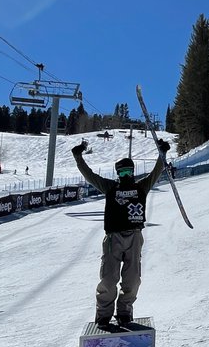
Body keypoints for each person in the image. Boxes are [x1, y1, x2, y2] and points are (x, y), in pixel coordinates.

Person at [71, 137, 169, 329]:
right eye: (121, 172)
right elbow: (89, 176)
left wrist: (162, 153)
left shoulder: (141, 187)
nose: (125, 175)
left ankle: (124, 311)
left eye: (128, 171)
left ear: (132, 172)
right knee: (109, 279)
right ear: (117, 174)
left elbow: (157, 172)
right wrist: (78, 157)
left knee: (132, 279)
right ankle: (104, 314)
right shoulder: (110, 187)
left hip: (134, 236)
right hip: (113, 237)